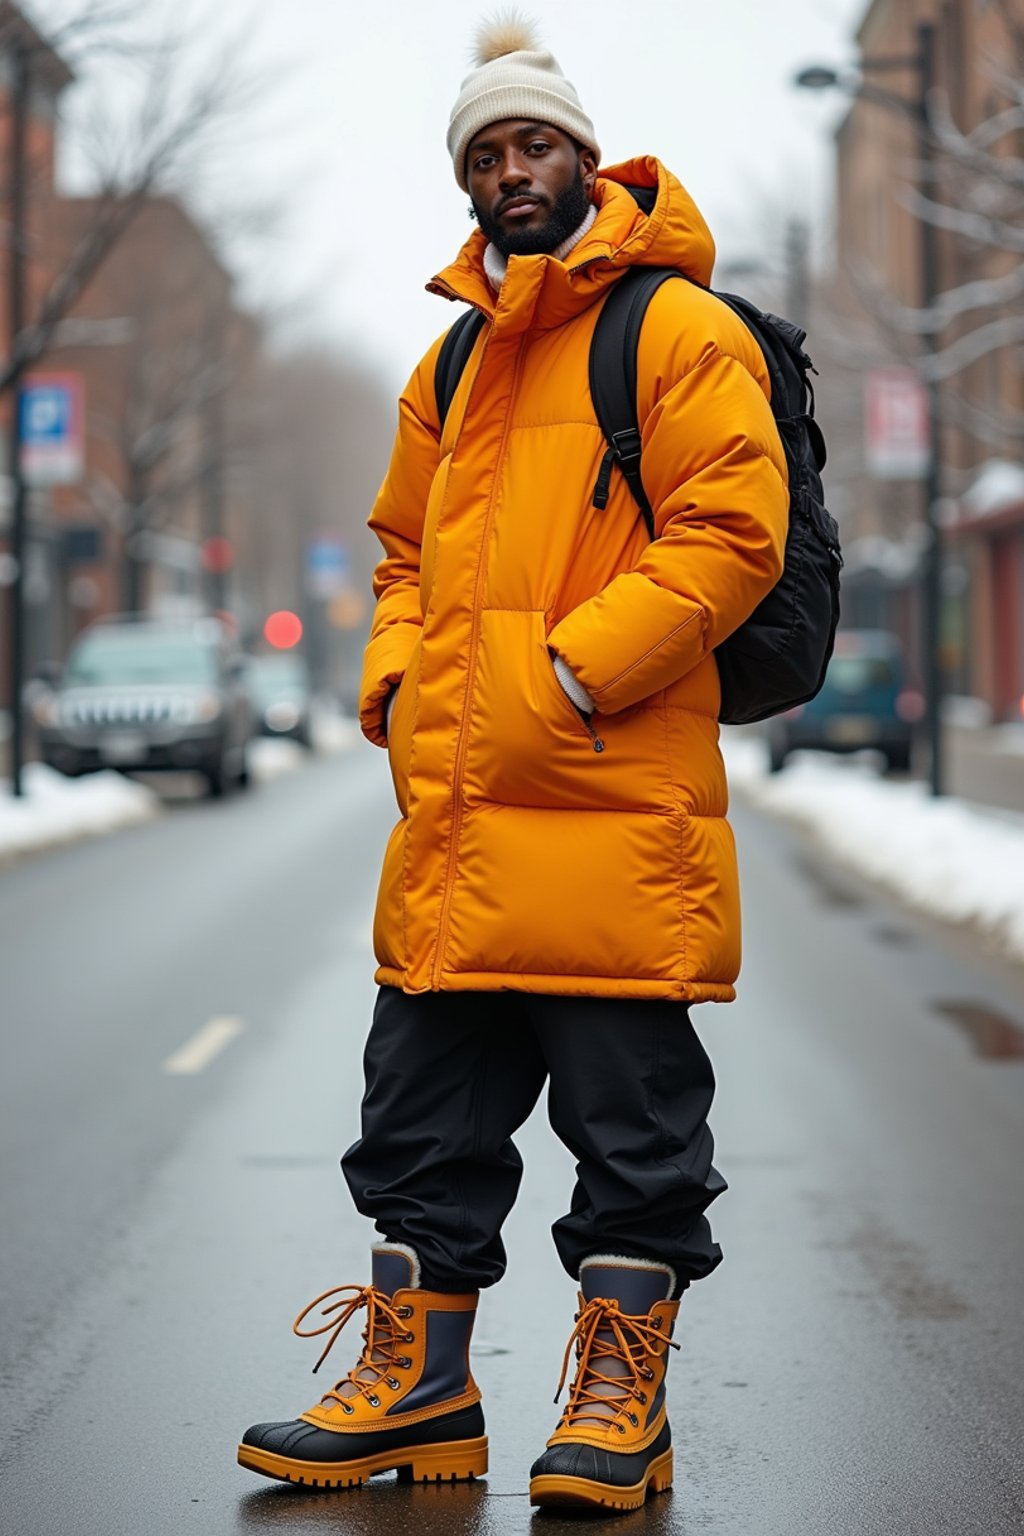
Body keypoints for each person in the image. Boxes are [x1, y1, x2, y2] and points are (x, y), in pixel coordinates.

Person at [238, 16, 787, 1513]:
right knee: (415, 1126)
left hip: (614, 806)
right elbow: (401, 549)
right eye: (484, 154)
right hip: (461, 820)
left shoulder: (679, 331)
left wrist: (565, 669)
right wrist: (399, 677)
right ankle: (416, 1394)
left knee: (636, 1137)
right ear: (467, 182)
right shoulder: (455, 358)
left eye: (531, 142)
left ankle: (623, 1408)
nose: (509, 171)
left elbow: (734, 536)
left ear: (582, 155)